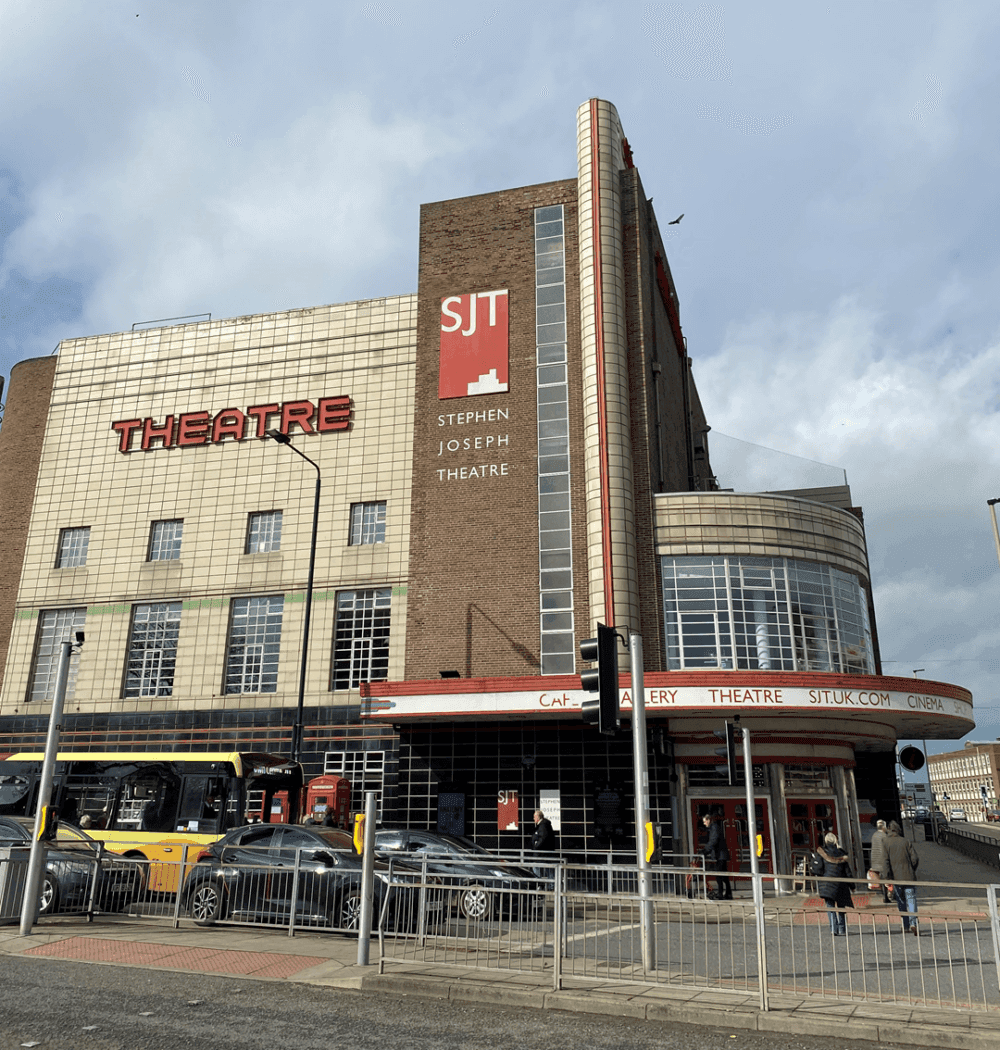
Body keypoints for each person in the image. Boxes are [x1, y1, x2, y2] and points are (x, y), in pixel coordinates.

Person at [884, 820, 920, 935]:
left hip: (896, 878)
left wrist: (887, 877)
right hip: (908, 876)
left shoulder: (886, 842)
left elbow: (885, 862)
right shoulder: (906, 841)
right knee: (911, 900)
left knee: (901, 901)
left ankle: (905, 925)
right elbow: (915, 858)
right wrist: (911, 869)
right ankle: (913, 922)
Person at [817, 831, 854, 936]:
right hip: (841, 883)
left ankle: (834, 929)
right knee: (841, 906)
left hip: (827, 883)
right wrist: (853, 886)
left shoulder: (823, 853)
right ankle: (842, 929)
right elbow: (848, 872)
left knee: (830, 906)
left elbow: (818, 869)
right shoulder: (842, 853)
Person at [701, 813, 732, 900]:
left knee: (718, 875)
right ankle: (728, 893)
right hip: (721, 854)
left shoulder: (714, 828)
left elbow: (713, 840)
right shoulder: (714, 828)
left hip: (720, 855)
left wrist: (705, 850)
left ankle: (720, 893)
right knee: (724, 875)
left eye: (704, 821)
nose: (704, 824)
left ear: (708, 820)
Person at [869, 819, 891, 904]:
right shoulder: (884, 836)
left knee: (881, 879)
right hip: (882, 861)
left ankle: (884, 896)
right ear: (883, 827)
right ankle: (887, 896)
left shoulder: (874, 835)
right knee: (886, 878)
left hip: (875, 861)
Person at [532, 809, 556, 880]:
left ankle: (540, 884)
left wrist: (536, 846)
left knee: (537, 868)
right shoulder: (544, 825)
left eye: (534, 817)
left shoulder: (542, 826)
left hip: (542, 853)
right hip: (545, 852)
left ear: (538, 817)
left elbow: (543, 838)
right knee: (548, 869)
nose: (533, 819)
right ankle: (549, 884)